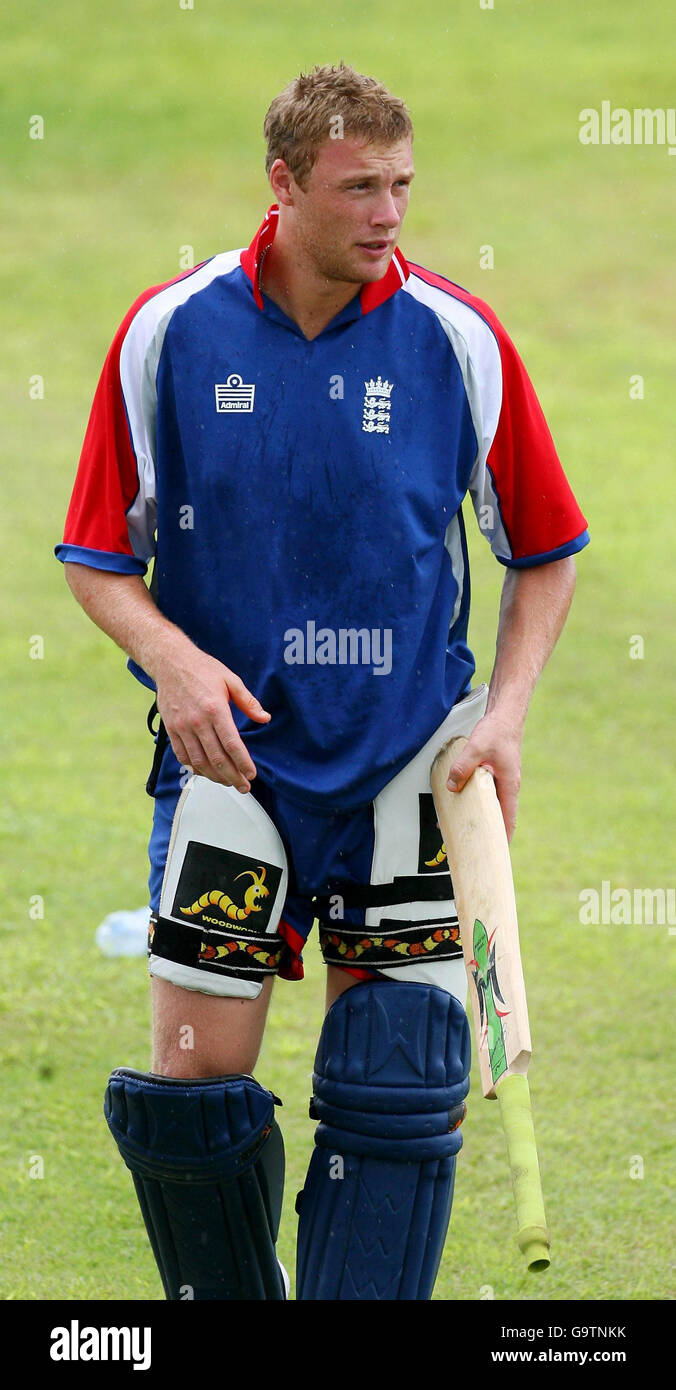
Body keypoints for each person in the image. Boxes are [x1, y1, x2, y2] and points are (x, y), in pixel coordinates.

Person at [55, 62, 589, 1301]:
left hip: (408, 766)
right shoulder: (170, 331)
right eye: (360, 188)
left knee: (396, 1084)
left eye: (403, 185)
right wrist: (175, 663)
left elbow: (547, 551)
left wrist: (503, 717)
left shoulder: (458, 337)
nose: (390, 213)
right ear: (284, 184)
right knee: (192, 1090)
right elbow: (96, 556)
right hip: (229, 772)